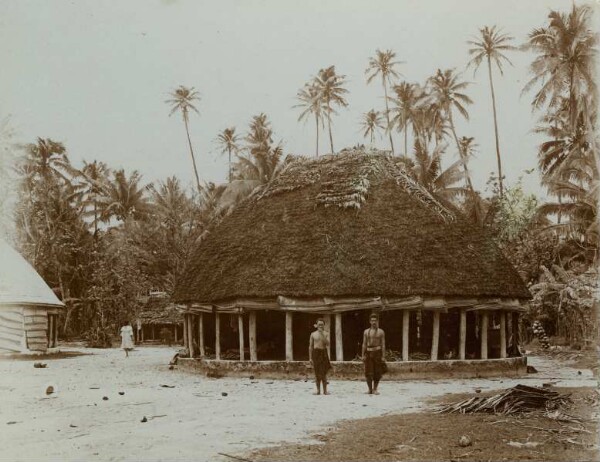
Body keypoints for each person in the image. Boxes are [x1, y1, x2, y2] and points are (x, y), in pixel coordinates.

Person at [362, 313, 386, 395]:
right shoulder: (366, 332)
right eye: (372, 320)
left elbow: (383, 344)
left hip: (377, 352)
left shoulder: (381, 332)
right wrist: (363, 355)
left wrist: (383, 356)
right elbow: (364, 344)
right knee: (368, 372)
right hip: (368, 353)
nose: (374, 322)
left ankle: (375, 389)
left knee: (377, 372)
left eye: (375, 320)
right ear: (370, 321)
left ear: (377, 321)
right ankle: (369, 389)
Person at [309, 318, 331, 395]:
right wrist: (310, 358)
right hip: (316, 353)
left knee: (324, 373)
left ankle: (325, 391)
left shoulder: (326, 333)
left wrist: (322, 334)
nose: (320, 326)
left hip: (323, 352)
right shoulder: (313, 334)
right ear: (316, 325)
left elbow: (327, 343)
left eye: (322, 324)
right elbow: (311, 346)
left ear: (324, 325)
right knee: (317, 373)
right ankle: (318, 391)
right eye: (319, 324)